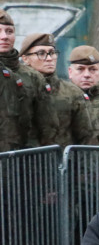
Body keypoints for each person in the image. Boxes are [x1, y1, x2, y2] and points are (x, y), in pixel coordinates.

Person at [19, 32, 97, 148]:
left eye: (52, 53)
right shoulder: (17, 89)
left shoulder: (72, 93)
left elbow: (87, 136)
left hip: (62, 158)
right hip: (24, 158)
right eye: (41, 54)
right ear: (26, 58)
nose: (49, 58)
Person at [0, 11, 58, 151]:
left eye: (9, 31)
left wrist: (45, 157)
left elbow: (47, 125)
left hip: (24, 158)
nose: (4, 36)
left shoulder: (33, 77)